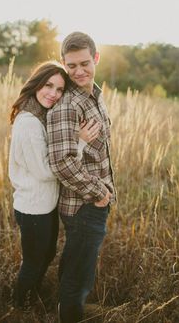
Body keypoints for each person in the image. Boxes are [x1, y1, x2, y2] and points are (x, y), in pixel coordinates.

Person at [8, 61, 100, 310]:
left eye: (60, 90)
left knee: (44, 255)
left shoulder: (40, 115)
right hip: (33, 208)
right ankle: (20, 306)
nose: (53, 94)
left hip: (43, 205)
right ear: (36, 84)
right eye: (48, 85)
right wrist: (79, 144)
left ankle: (30, 296)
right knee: (35, 261)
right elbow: (47, 170)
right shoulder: (29, 122)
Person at [47, 32, 117, 322]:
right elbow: (61, 163)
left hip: (93, 200)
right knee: (80, 273)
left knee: (78, 264)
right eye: (71, 66)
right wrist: (99, 192)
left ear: (96, 58)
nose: (78, 71)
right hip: (84, 205)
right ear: (64, 64)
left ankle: (68, 306)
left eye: (84, 63)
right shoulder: (67, 106)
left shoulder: (95, 95)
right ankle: (70, 313)